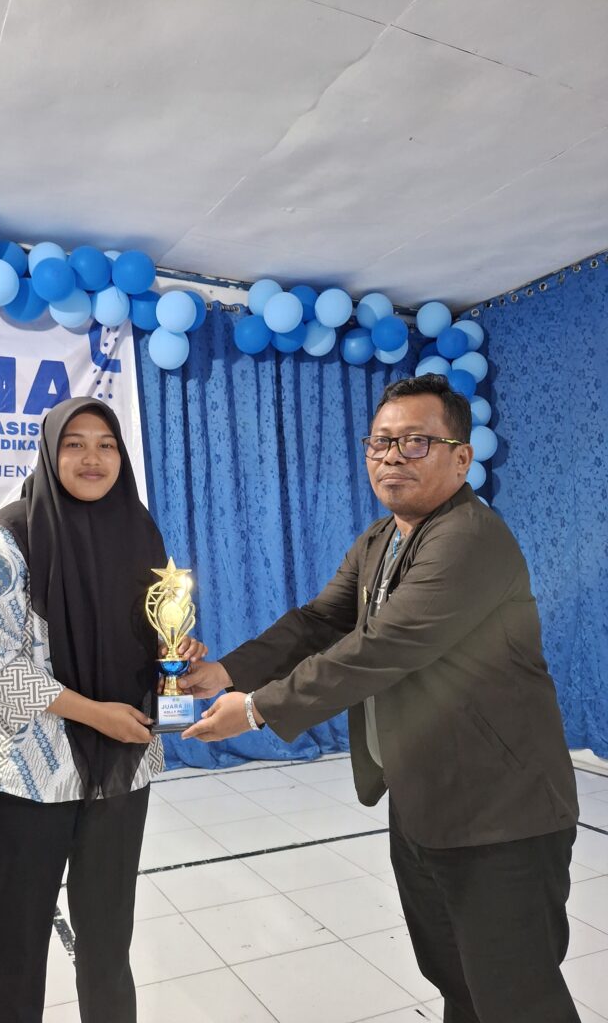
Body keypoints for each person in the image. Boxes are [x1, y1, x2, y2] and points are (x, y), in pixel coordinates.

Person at [181, 374, 580, 1023]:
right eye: (381, 442)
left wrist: (255, 710)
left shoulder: (469, 538)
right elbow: (318, 623)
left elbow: (378, 650)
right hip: (424, 801)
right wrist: (226, 671)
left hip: (502, 816)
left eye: (416, 441)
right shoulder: (380, 539)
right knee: (457, 982)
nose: (393, 456)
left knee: (517, 998)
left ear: (461, 457)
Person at [0, 396, 205, 1023]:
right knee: (18, 940)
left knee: (109, 937)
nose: (93, 458)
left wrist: (175, 653)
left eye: (106, 445)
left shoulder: (139, 530)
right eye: (75, 444)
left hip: (121, 762)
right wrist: (94, 713)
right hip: (29, 767)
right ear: (49, 451)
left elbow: (149, 630)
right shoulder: (11, 536)